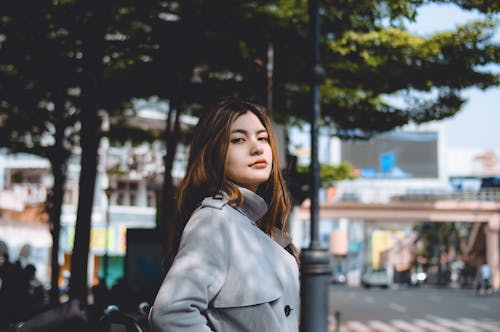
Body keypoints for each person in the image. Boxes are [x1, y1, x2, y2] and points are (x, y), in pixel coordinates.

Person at [149, 100, 300, 332]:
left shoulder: (257, 226)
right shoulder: (214, 221)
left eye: (262, 138)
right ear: (213, 153)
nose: (257, 148)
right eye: (238, 139)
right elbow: (171, 313)